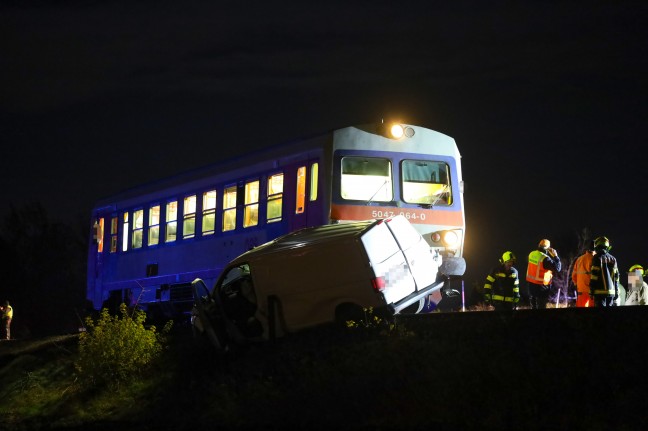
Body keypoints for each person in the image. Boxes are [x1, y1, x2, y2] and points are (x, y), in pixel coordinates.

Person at [526, 239, 562, 309]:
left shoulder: (531, 254)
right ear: (547, 249)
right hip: (542, 288)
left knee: (533, 307)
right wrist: (555, 256)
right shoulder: (545, 259)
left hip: (531, 286)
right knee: (541, 308)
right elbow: (558, 268)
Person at [589, 236, 619, 307]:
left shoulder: (597, 258)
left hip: (599, 294)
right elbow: (617, 278)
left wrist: (591, 291)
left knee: (600, 316)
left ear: (597, 246)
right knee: (609, 317)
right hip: (611, 294)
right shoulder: (613, 259)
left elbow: (594, 276)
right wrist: (616, 292)